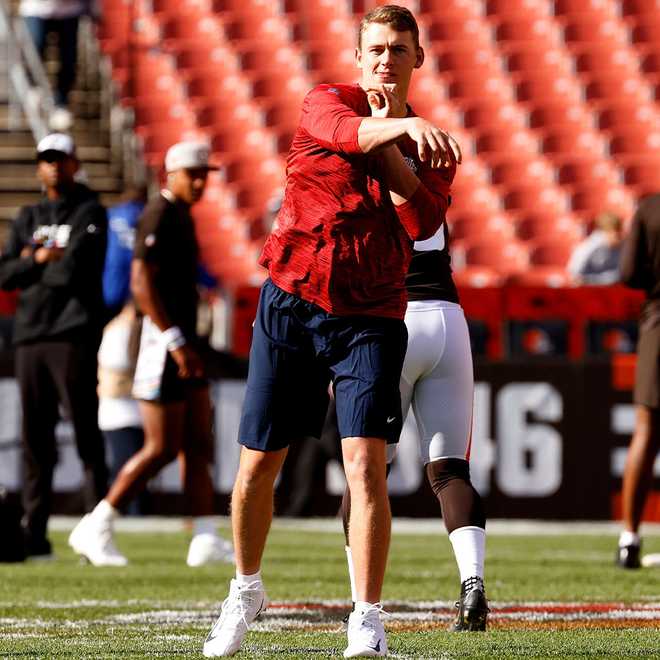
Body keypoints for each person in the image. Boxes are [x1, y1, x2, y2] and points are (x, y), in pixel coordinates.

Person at [202, 5, 460, 658]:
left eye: (399, 50)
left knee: (364, 467)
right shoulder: (325, 100)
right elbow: (348, 133)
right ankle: (246, 587)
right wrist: (397, 135)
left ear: (418, 60)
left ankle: (367, 619)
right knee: (258, 466)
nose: (385, 60)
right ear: (357, 57)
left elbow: (425, 220)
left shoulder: (425, 142)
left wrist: (394, 145)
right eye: (374, 49)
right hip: (291, 301)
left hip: (371, 315)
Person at [68, 141, 234, 567]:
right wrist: (175, 338)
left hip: (183, 339)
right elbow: (141, 282)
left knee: (198, 442)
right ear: (170, 174)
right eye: (192, 174)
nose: (200, 182)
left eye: (204, 174)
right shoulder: (158, 213)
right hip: (163, 342)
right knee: (161, 446)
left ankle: (203, 534)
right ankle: (97, 522)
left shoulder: (180, 214)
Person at [0, 132, 109, 559]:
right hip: (30, 336)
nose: (54, 167)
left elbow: (77, 272)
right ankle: (36, 534)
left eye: (61, 159)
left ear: (74, 161)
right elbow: (5, 274)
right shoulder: (27, 216)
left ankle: (97, 530)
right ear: (38, 166)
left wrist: (33, 265)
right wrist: (38, 261)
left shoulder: (90, 211)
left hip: (73, 334)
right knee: (35, 439)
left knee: (85, 434)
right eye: (47, 160)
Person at [616, 194, 660, 568]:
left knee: (645, 431)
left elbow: (629, 273)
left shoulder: (649, 207)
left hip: (657, 324)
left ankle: (629, 538)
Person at [19, 0, 88, 131]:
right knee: (35, 48)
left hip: (69, 11)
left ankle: (61, 104)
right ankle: (34, 88)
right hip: (36, 8)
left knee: (69, 59)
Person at [567, 212, 624, 285]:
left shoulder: (620, 246)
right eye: (615, 232)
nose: (619, 236)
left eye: (619, 232)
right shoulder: (588, 247)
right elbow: (575, 276)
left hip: (611, 290)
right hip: (589, 291)